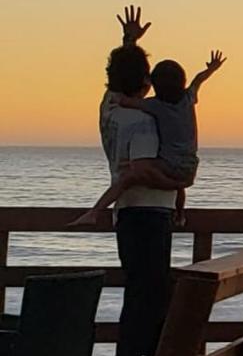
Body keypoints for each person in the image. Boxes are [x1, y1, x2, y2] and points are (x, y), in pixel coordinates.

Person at [96, 6, 174, 356]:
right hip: (148, 211)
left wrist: (129, 42)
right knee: (149, 292)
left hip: (127, 215)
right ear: (145, 82)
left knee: (144, 289)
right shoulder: (142, 121)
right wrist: (179, 180)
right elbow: (142, 170)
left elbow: (117, 82)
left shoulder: (109, 110)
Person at [73, 50, 225, 228]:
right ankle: (180, 216)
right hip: (189, 163)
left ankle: (95, 212)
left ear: (153, 84)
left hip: (161, 174)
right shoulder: (188, 98)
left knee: (128, 177)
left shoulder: (154, 107)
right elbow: (198, 80)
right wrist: (211, 69)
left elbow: (125, 101)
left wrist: (119, 97)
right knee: (180, 187)